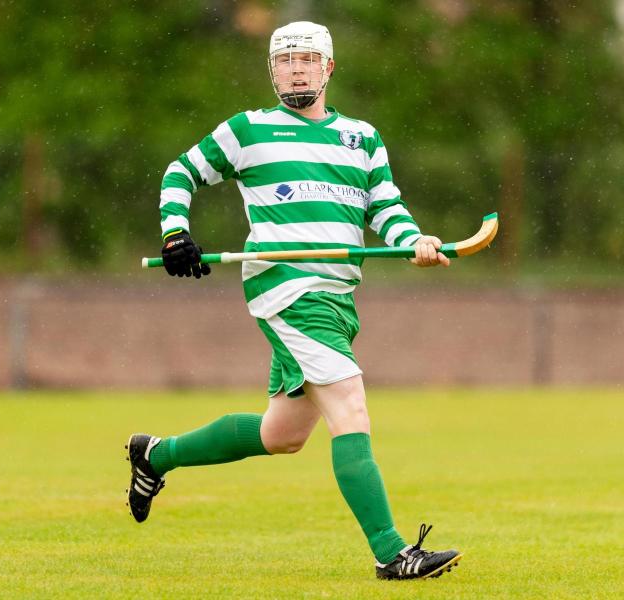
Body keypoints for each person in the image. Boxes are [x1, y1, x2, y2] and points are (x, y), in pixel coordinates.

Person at [126, 21, 462, 581]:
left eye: (307, 59)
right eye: (285, 60)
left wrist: (415, 243)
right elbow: (179, 172)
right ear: (271, 70)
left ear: (329, 68)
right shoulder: (248, 131)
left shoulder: (362, 137)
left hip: (338, 296)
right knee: (350, 406)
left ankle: (154, 455)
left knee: (282, 435)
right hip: (286, 289)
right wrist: (174, 233)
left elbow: (386, 210)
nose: (296, 69)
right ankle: (392, 552)